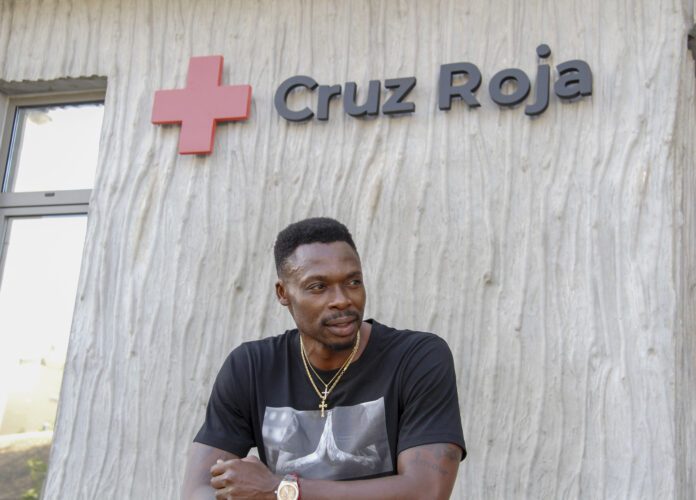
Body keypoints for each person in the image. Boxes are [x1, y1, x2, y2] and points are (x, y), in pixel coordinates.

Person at [181, 217, 466, 499]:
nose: (342, 299)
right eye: (318, 286)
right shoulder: (252, 368)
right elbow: (198, 490)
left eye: (353, 282)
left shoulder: (416, 359)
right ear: (283, 293)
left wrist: (280, 489)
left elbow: (426, 492)